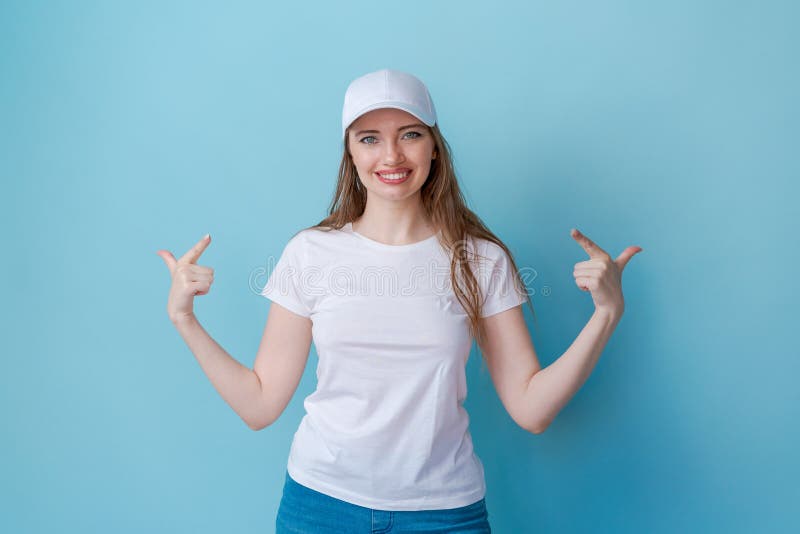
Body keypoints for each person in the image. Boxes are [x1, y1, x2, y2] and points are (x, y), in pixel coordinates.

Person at [156, 68, 642, 533]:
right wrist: (185, 320)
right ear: (350, 152)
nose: (391, 156)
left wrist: (606, 314)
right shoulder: (310, 253)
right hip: (319, 508)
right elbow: (259, 404)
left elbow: (531, 410)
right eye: (369, 138)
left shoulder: (481, 260)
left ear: (434, 147)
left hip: (443, 514)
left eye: (409, 134)